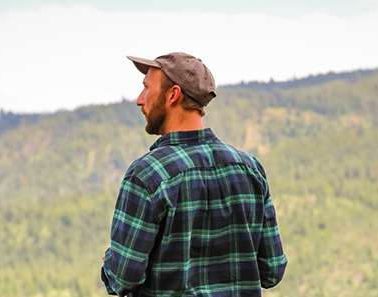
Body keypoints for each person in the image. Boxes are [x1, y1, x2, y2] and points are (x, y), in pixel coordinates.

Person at [101, 52, 287, 296]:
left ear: (173, 95)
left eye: (146, 88)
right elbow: (272, 271)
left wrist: (111, 260)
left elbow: (122, 278)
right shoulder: (251, 169)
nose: (139, 99)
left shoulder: (146, 175)